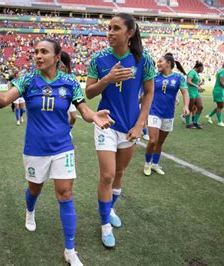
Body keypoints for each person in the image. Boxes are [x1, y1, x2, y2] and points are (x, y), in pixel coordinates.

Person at [0, 39, 113, 266]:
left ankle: (70, 250)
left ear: (56, 57)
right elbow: (3, 102)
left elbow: (83, 110)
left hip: (63, 147)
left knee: (65, 193)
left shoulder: (69, 81)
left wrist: (94, 116)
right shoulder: (27, 80)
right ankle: (30, 209)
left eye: (44, 52)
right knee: (34, 189)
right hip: (35, 149)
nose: (38, 55)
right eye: (35, 52)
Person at [85, 13, 156, 248]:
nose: (110, 32)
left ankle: (111, 208)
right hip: (106, 123)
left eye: (116, 28)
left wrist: (139, 124)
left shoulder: (143, 59)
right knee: (107, 175)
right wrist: (108, 78)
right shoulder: (99, 59)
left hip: (130, 128)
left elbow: (149, 93)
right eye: (109, 28)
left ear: (130, 32)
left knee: (119, 174)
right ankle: (105, 223)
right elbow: (89, 93)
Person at [143, 53, 190, 176]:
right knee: (153, 140)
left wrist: (186, 106)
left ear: (168, 64)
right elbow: (146, 93)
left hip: (168, 114)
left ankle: (155, 165)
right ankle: (147, 164)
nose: (157, 64)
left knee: (160, 143)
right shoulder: (154, 76)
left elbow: (185, 92)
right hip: (154, 112)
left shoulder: (179, 78)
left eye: (160, 61)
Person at [206, 59, 224, 127]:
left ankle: (209, 115)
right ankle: (220, 121)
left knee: (220, 106)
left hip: (218, 90)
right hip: (219, 91)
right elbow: (221, 81)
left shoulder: (220, 71)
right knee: (220, 106)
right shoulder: (223, 72)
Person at [60, 51, 77, 133]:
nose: (60, 68)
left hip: (69, 99)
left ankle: (68, 131)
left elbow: (84, 110)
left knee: (73, 117)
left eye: (63, 67)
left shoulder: (72, 79)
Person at [185, 61, 205, 129]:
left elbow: (194, 83)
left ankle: (195, 122)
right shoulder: (192, 72)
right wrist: (197, 87)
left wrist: (200, 85)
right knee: (190, 108)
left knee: (200, 106)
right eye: (202, 68)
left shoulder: (196, 73)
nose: (202, 70)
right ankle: (187, 124)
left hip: (196, 93)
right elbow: (188, 81)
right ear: (199, 67)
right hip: (190, 93)